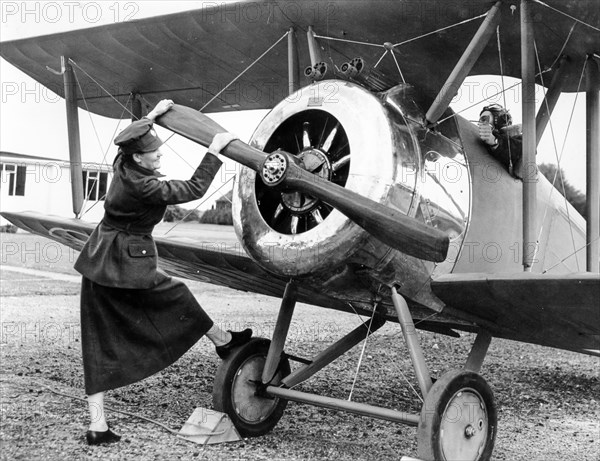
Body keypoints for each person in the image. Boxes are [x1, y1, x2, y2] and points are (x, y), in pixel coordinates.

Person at [74, 99, 252, 445]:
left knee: (95, 344)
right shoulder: (145, 187)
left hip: (97, 259)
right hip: (125, 260)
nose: (159, 156)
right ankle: (223, 341)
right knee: (178, 296)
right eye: (153, 154)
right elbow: (193, 189)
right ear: (138, 159)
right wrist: (214, 150)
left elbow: (133, 139)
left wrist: (151, 118)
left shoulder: (123, 165)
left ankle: (97, 427)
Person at [478, 103, 523, 177]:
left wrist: (495, 142)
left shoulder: (521, 141)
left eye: (484, 119)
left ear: (499, 121)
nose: (479, 123)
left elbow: (518, 151)